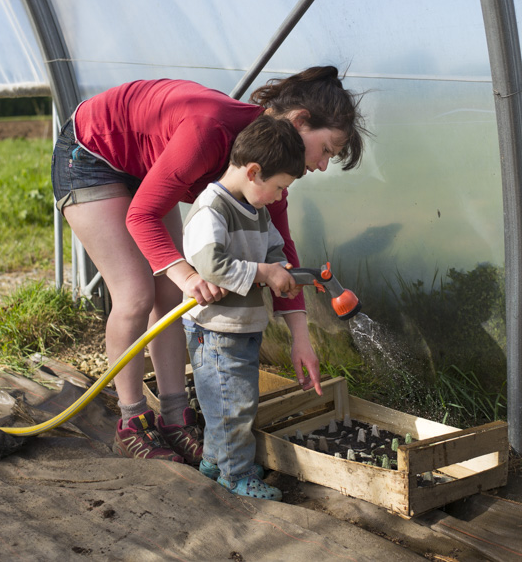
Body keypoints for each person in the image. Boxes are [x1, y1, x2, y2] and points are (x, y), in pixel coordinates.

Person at [50, 66, 368, 465]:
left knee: (166, 294)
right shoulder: (208, 131)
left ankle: (174, 418)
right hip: (91, 153)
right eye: (326, 150)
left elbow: (282, 252)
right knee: (135, 293)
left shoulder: (268, 166)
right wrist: (187, 274)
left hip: (141, 165)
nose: (322, 166)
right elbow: (142, 216)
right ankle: (131, 421)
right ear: (300, 120)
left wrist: (300, 337)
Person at [181, 114, 306, 500]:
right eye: (279, 186)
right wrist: (265, 272)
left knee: (229, 403)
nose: (280, 196)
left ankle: (216, 463)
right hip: (216, 331)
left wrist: (279, 264)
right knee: (233, 408)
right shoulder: (212, 208)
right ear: (254, 172)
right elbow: (209, 263)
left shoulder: (257, 208)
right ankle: (236, 477)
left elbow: (271, 246)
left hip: (240, 327)